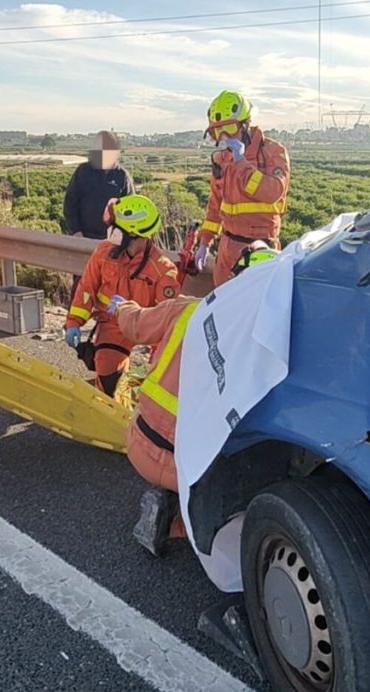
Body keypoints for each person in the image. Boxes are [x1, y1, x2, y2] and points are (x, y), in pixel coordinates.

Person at [115, 244, 278, 555]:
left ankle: (168, 502)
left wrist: (123, 308)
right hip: (191, 470)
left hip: (140, 442)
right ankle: (181, 524)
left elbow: (134, 324)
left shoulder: (187, 309)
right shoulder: (266, 349)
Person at [63, 194, 179, 396]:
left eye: (116, 229)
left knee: (157, 386)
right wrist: (74, 323)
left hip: (146, 326)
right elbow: (86, 289)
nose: (111, 234)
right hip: (113, 325)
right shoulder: (104, 253)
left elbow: (165, 323)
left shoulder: (163, 270)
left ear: (135, 235)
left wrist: (158, 364)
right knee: (109, 379)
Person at [193, 91, 290, 287]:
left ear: (245, 124)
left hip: (260, 248)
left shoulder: (272, 152)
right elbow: (215, 207)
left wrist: (241, 163)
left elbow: (272, 192)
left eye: (229, 128)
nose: (224, 137)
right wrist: (205, 242)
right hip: (227, 249)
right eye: (216, 132)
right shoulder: (222, 159)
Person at [63, 130, 135, 298]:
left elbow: (130, 210)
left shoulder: (122, 176)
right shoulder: (83, 172)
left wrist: (121, 239)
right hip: (84, 239)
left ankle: (102, 324)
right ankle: (73, 323)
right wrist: (76, 232)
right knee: (81, 286)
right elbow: (70, 204)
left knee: (109, 288)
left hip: (112, 243)